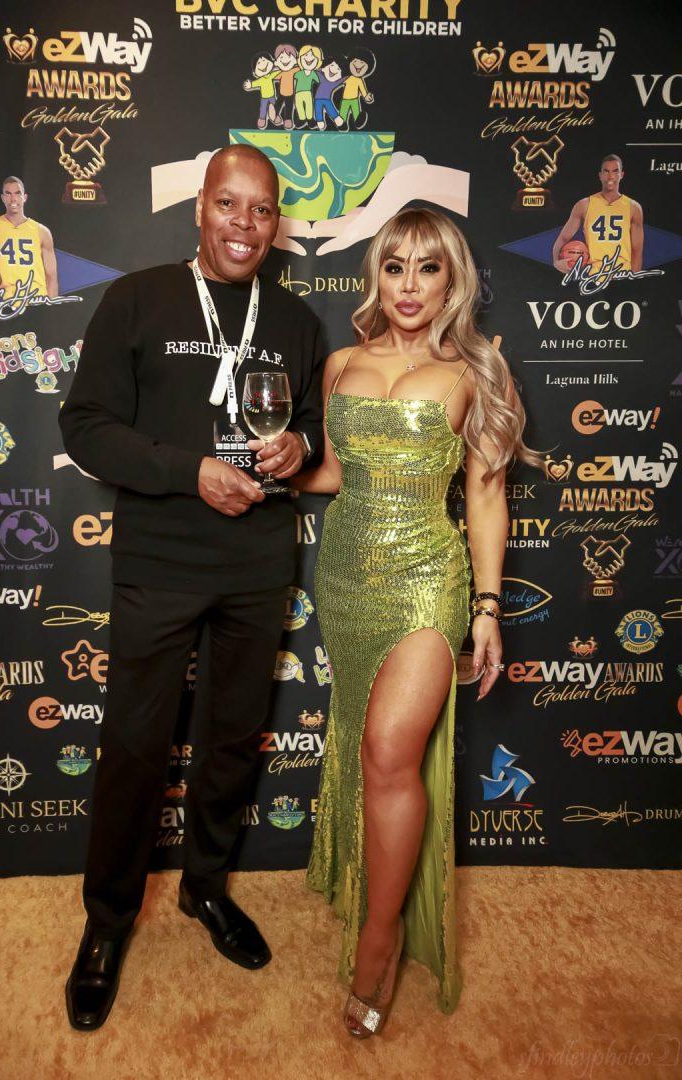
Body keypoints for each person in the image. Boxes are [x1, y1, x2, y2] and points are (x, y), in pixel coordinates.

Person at [59, 144, 324, 1031]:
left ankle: (205, 887)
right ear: (200, 208)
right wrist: (188, 471)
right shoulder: (137, 298)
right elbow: (85, 425)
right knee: (136, 746)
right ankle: (107, 922)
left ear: (276, 222)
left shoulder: (297, 321)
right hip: (161, 560)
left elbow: (314, 428)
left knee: (232, 742)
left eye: (261, 210)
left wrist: (301, 446)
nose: (244, 225)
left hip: (257, 564)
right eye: (228, 204)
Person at [295, 207, 541, 1037]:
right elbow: (334, 474)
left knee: (389, 752)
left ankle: (382, 935)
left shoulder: (478, 370)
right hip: (344, 578)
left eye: (427, 268)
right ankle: (376, 904)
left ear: (451, 280)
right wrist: (271, 467)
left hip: (426, 581)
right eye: (394, 266)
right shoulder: (341, 364)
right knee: (364, 749)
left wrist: (487, 607)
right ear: (377, 275)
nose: (408, 285)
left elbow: (485, 495)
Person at [0, 175, 58, 298]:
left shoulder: (42, 231)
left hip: (37, 299)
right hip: (6, 301)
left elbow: (51, 276)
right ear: (3, 198)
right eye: (8, 194)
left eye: (18, 193)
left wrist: (51, 306)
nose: (13, 199)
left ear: (25, 197)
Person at [552, 154, 644, 273]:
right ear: (600, 175)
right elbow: (563, 238)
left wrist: (634, 280)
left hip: (622, 274)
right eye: (606, 171)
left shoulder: (633, 207)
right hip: (594, 275)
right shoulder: (584, 205)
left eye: (615, 171)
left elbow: (637, 251)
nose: (610, 176)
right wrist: (556, 262)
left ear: (621, 175)